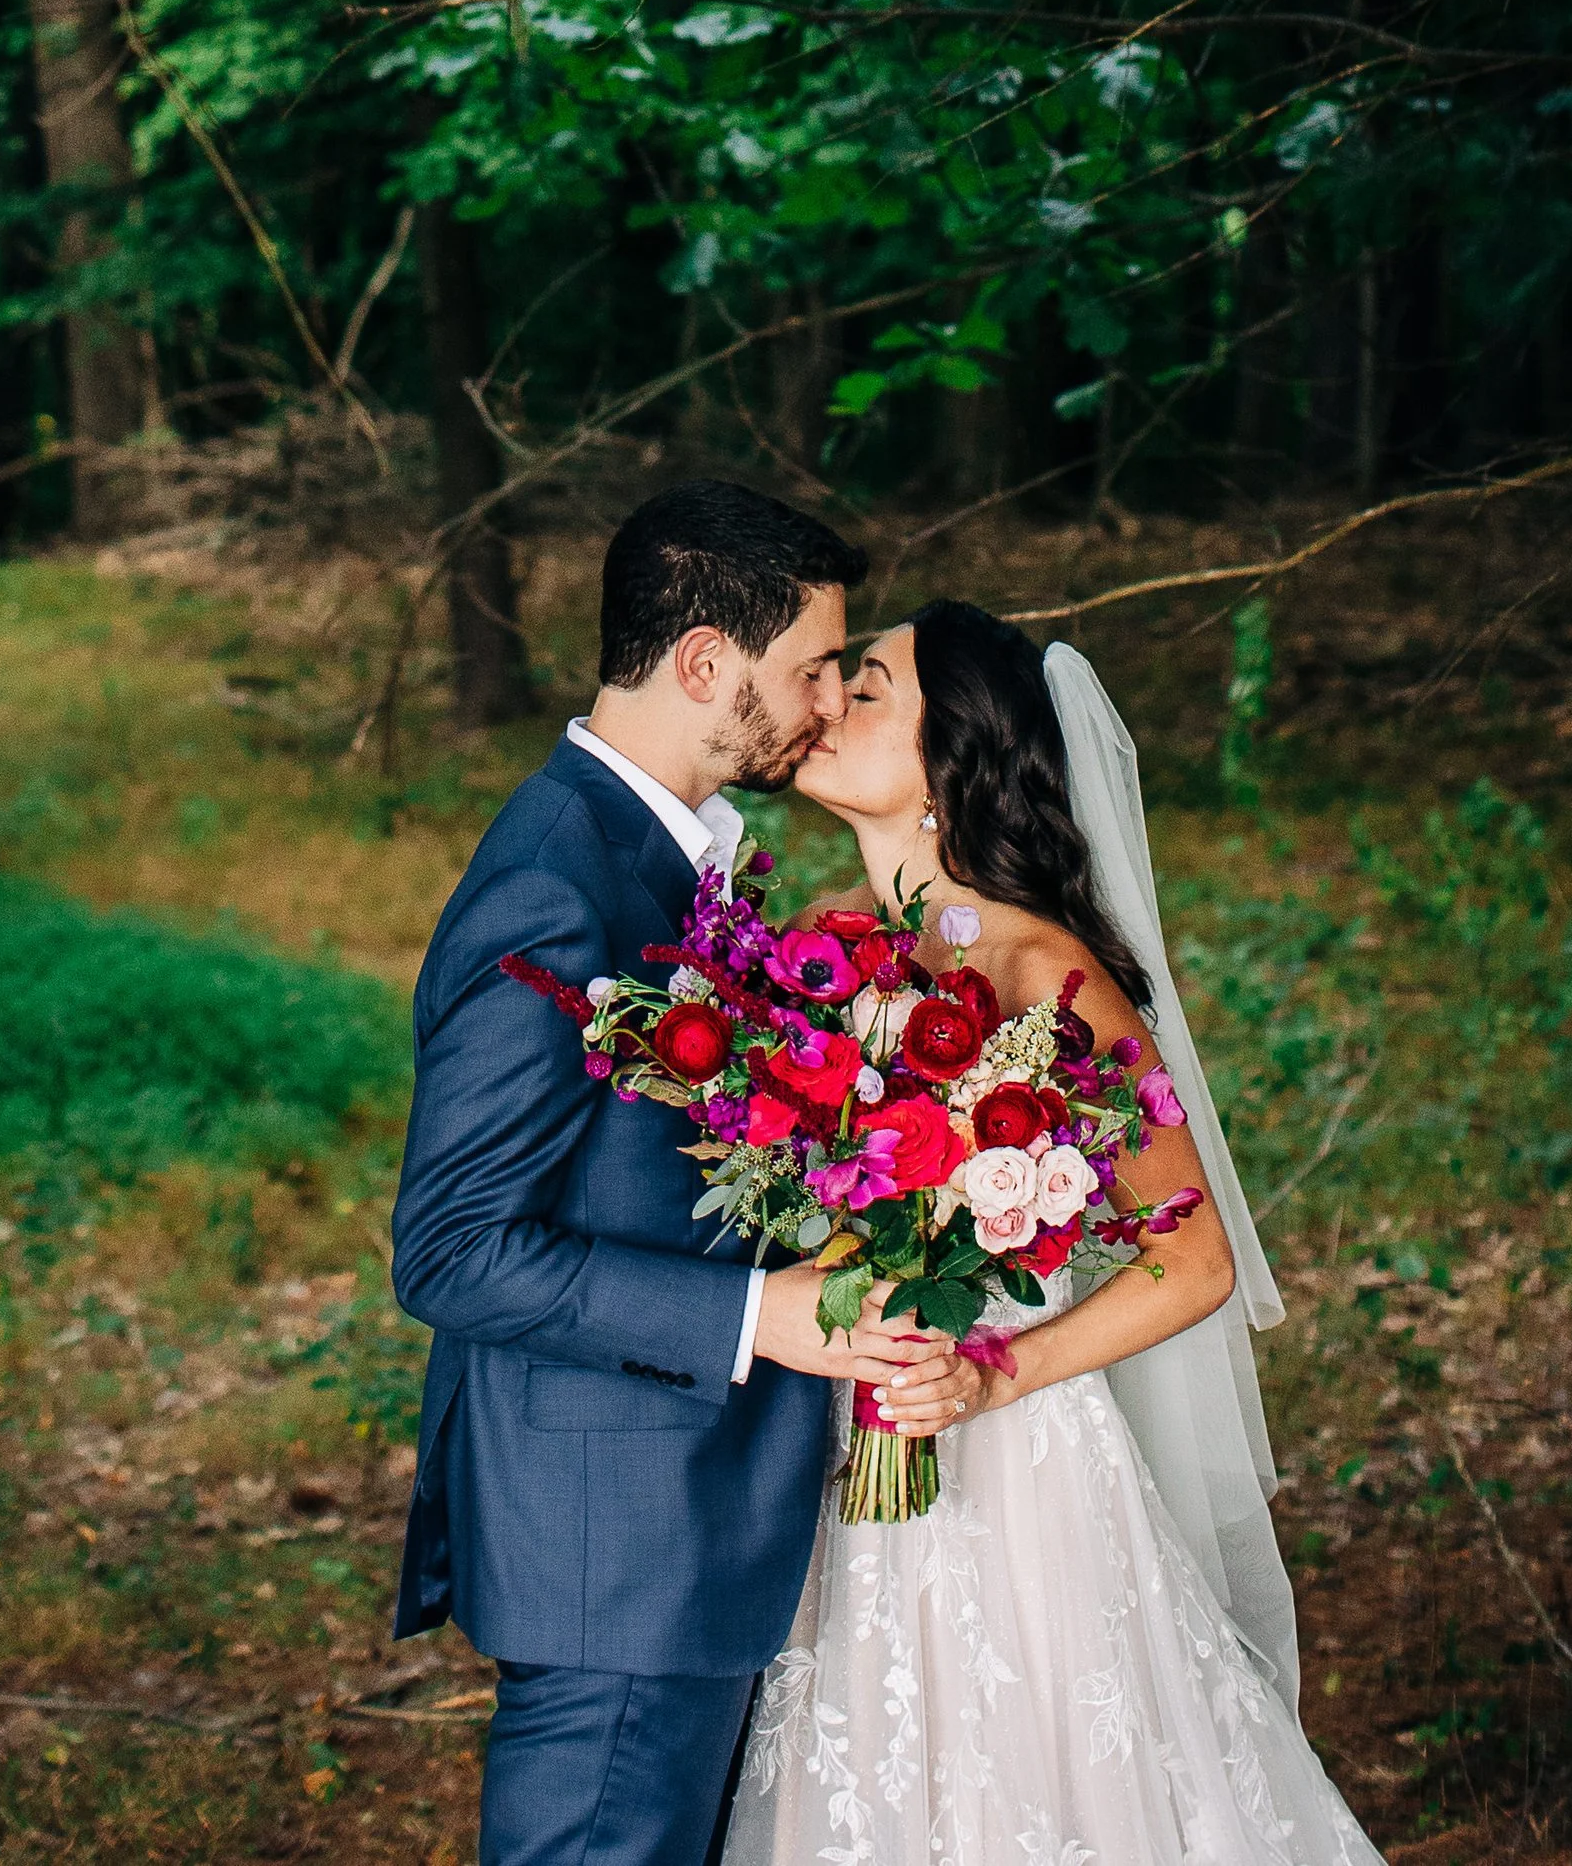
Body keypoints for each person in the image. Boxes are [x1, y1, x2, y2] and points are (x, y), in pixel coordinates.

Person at [720, 599, 1385, 1866]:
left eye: (869, 692)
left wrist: (988, 1375)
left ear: (952, 757)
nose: (827, 705)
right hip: (837, 1426)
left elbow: (1192, 1261)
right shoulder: (814, 946)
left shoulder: (1044, 976)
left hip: (1010, 1460)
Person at [391, 482, 960, 1866]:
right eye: (810, 667)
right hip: (617, 1544)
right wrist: (757, 1316)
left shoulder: (666, 860)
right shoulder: (560, 880)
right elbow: (451, 1247)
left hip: (681, 1526)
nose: (827, 701)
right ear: (704, 661)